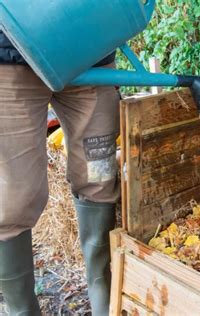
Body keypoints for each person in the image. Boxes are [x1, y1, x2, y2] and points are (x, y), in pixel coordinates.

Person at [0, 30, 120, 315]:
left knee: (99, 179)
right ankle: (22, 310)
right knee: (13, 199)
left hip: (91, 51)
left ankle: (106, 302)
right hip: (11, 55)